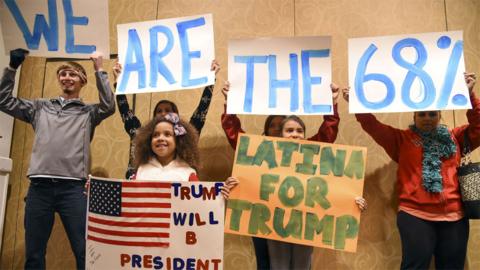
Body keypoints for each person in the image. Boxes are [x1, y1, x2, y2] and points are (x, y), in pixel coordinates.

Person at [342, 72, 478, 270]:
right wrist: (356, 103)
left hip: (454, 216)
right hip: (415, 215)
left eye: (432, 114)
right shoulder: (401, 140)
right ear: (414, 116)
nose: (427, 118)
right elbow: (373, 126)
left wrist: (470, 94)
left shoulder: (456, 137)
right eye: (421, 114)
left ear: (439, 115)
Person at [0, 49, 115, 269]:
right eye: (63, 73)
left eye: (72, 74)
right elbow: (3, 100)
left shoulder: (88, 112)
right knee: (34, 254)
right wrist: (12, 67)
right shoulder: (40, 107)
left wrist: (99, 69)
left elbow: (109, 106)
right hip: (39, 187)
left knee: (85, 252)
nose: (67, 77)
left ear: (83, 81)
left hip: (73, 190)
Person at [221, 81, 342, 270]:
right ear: (267, 131)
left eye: (284, 127)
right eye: (275, 127)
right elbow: (234, 133)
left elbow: (327, 135)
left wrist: (331, 105)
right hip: (267, 218)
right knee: (268, 263)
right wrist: (230, 103)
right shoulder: (257, 152)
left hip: (300, 217)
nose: (279, 131)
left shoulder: (308, 149)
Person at [264, 115, 367, 270]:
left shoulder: (317, 157)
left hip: (305, 223)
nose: (295, 134)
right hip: (275, 220)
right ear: (281, 134)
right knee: (278, 267)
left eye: (299, 130)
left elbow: (334, 186)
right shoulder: (267, 156)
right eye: (289, 130)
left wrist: (353, 201)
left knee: (302, 266)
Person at [114, 60, 221, 179]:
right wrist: (119, 82)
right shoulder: (139, 134)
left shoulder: (184, 135)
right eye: (159, 111)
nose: (163, 114)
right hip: (137, 189)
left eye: (168, 110)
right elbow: (125, 110)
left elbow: (201, 111)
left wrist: (211, 80)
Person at [132, 112, 238, 198]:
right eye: (155, 135)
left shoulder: (188, 173)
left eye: (167, 134)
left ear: (178, 141)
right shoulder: (141, 169)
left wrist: (222, 193)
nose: (160, 138)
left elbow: (203, 202)